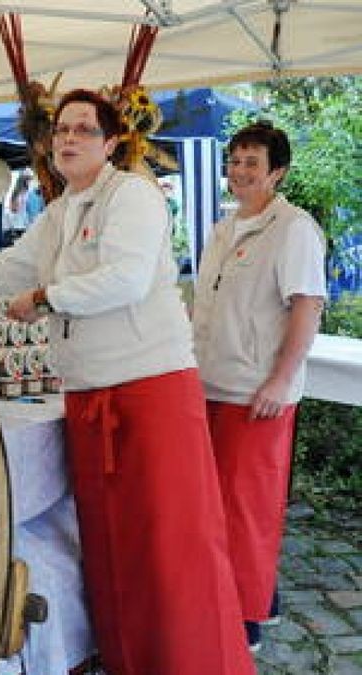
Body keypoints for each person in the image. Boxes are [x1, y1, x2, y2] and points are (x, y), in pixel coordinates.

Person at [0, 89, 255, 675]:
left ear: (112, 142)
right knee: (112, 551)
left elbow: (128, 279)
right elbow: (8, 268)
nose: (68, 138)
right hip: (89, 395)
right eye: (61, 129)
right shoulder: (62, 209)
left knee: (171, 550)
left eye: (84, 129)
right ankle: (127, 660)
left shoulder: (132, 195)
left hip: (150, 392)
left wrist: (46, 297)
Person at [192, 121, 326, 652]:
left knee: (249, 506)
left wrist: (280, 378)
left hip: (257, 392)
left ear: (278, 172)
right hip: (212, 383)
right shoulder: (223, 227)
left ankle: (246, 615)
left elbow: (307, 306)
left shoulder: (293, 228)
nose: (241, 171)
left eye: (253, 162)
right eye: (236, 160)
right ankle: (256, 595)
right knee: (217, 503)